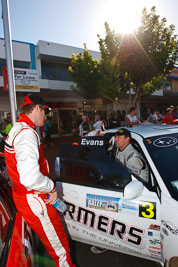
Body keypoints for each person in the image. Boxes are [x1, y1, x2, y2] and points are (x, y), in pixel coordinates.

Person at [4, 94, 75, 267]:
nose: (46, 116)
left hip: (27, 197)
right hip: (34, 198)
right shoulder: (27, 133)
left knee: (56, 246)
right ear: (37, 108)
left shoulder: (18, 128)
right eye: (45, 111)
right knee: (61, 251)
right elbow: (29, 177)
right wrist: (50, 187)